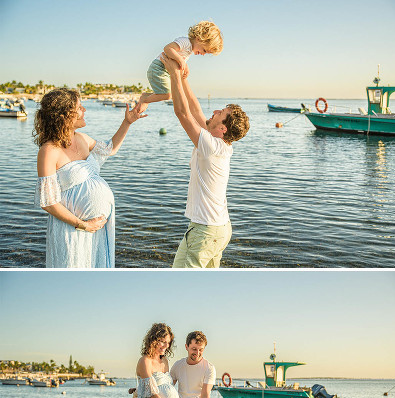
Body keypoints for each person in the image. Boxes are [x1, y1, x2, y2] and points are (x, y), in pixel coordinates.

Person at [34, 88, 146, 267]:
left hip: (98, 229)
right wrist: (83, 225)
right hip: (72, 230)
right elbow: (47, 202)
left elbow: (110, 149)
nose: (84, 110)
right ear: (64, 114)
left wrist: (127, 122)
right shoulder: (49, 151)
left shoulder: (83, 139)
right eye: (79, 107)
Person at [160, 53, 250, 268]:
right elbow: (195, 108)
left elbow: (182, 113)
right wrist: (183, 78)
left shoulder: (210, 146)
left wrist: (173, 73)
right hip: (220, 229)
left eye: (221, 113)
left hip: (204, 231)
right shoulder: (220, 144)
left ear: (223, 128)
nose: (216, 110)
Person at [136, 21, 223, 113]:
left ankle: (145, 96)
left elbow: (180, 58)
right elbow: (167, 48)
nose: (203, 54)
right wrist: (181, 60)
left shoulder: (189, 50)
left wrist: (185, 66)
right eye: (204, 50)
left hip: (163, 71)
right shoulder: (185, 42)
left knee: (169, 94)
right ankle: (144, 100)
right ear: (198, 39)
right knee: (167, 95)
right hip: (158, 68)